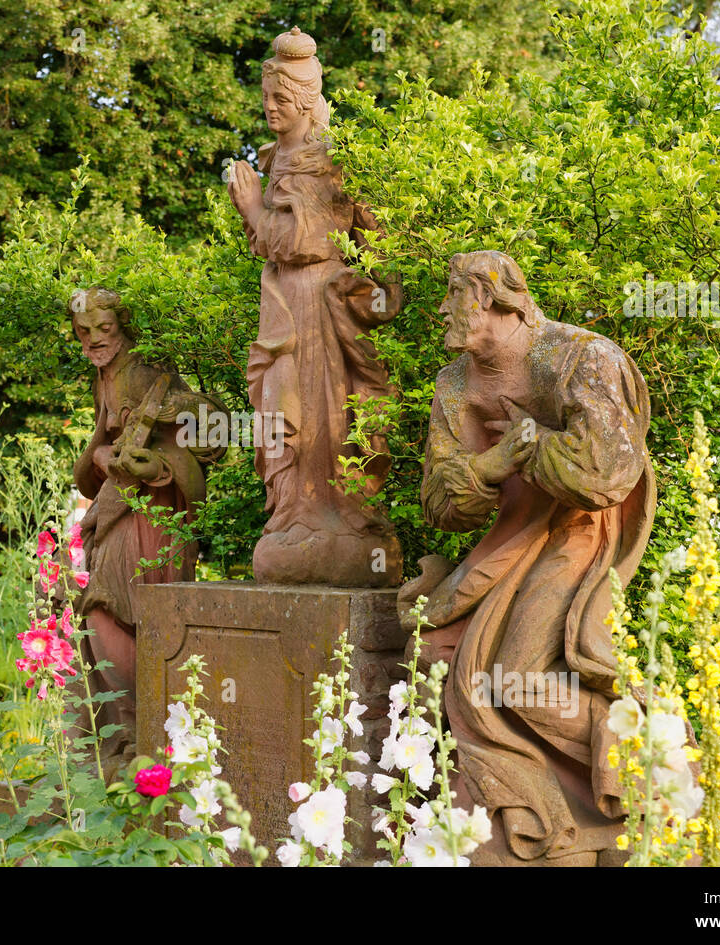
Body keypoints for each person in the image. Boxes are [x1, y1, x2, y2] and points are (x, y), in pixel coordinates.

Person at [398, 250, 657, 864]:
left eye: (452, 294)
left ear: (492, 298)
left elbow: (609, 472)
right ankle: (522, 813)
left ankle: (636, 764)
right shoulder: (454, 384)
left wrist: (534, 446)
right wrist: (490, 466)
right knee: (435, 647)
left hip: (576, 535)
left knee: (518, 678)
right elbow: (440, 503)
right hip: (506, 543)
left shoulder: (580, 356)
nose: (441, 309)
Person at [226, 27, 403, 587]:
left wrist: (254, 211)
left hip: (324, 304)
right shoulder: (274, 156)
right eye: (266, 100)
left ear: (304, 100)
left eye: (280, 99)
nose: (270, 109)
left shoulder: (331, 159)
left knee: (331, 411)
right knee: (281, 410)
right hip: (284, 303)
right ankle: (293, 514)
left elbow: (308, 242)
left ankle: (341, 518)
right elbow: (280, 245)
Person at [69, 287, 224, 769]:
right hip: (121, 508)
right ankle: (129, 733)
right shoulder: (106, 378)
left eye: (105, 329)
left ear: (123, 327)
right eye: (84, 331)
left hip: (152, 515)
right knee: (106, 612)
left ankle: (146, 732)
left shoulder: (143, 373)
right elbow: (94, 458)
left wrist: (154, 463)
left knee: (119, 610)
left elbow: (211, 433)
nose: (94, 340)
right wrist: (100, 455)